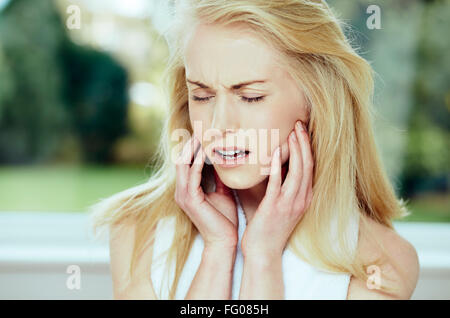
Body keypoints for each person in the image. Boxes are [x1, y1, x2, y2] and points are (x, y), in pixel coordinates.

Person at [89, 0, 419, 300]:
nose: (218, 125)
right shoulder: (137, 230)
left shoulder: (380, 263)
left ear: (317, 100)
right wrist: (218, 251)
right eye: (202, 96)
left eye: (251, 97)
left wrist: (262, 258)